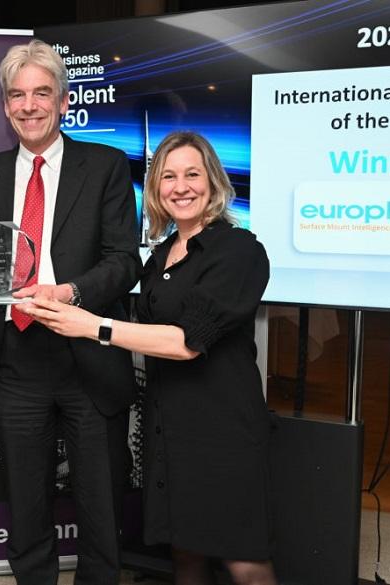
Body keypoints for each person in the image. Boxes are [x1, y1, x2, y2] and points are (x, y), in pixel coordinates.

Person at [22, 131, 276, 585]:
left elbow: (186, 342)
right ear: (156, 190)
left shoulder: (239, 250)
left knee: (243, 559)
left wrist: (92, 326)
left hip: (223, 428)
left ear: (214, 181)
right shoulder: (159, 257)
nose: (181, 187)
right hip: (170, 423)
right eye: (168, 177)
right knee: (186, 552)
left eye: (192, 174)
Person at [0, 40, 141, 585]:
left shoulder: (105, 165)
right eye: (17, 95)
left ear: (63, 101)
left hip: (89, 354)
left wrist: (71, 293)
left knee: (101, 506)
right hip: (15, 361)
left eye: (41, 93)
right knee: (25, 504)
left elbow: (124, 260)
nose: (29, 105)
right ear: (5, 105)